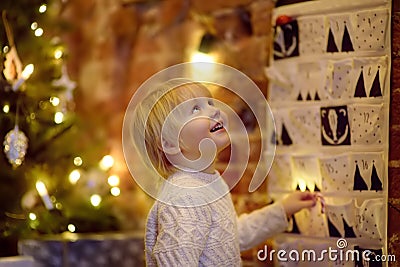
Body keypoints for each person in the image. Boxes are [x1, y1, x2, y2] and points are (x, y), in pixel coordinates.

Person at [131, 79, 318, 266]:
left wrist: (281, 210)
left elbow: (229, 236)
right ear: (170, 144)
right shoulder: (185, 199)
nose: (215, 110)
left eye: (210, 103)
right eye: (195, 109)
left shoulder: (207, 183)